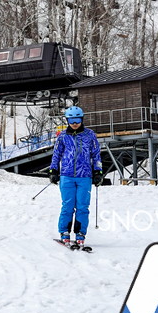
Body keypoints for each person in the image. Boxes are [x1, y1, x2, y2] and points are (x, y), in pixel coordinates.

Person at [49, 106, 102, 248]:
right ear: (67, 120)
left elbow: (96, 155)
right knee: (67, 205)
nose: (75, 123)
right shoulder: (63, 136)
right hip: (67, 176)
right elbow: (56, 155)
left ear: (82, 119)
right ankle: (64, 232)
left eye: (77, 119)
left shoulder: (90, 135)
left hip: (85, 176)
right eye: (72, 120)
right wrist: (54, 170)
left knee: (83, 206)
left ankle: (80, 234)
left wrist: (98, 171)